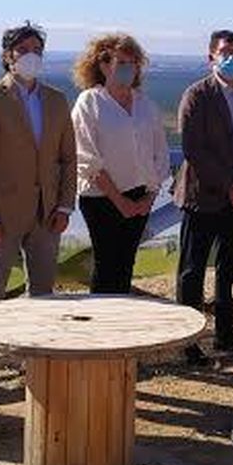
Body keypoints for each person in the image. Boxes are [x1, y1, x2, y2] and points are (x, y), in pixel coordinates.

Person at [0, 21, 77, 401]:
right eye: (24, 49)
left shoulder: (57, 100)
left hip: (47, 213)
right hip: (4, 214)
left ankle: (38, 364)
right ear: (7, 56)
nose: (32, 56)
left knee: (43, 292)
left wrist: (65, 204)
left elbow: (68, 158)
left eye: (37, 50)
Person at [174, 28, 233, 364]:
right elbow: (194, 149)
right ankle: (188, 340)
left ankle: (225, 335)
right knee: (192, 270)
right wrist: (231, 186)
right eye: (225, 51)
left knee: (230, 269)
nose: (232, 57)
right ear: (211, 56)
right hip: (204, 198)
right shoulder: (197, 95)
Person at [70, 33, 170, 294]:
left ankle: (125, 323)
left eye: (133, 62)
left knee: (126, 264)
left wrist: (150, 195)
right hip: (101, 198)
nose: (129, 68)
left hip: (140, 196)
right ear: (103, 65)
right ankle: (102, 326)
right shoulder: (89, 102)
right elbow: (86, 156)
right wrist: (119, 201)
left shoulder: (146, 105)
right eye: (121, 62)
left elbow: (160, 153)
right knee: (106, 265)